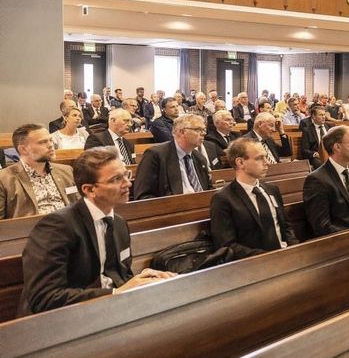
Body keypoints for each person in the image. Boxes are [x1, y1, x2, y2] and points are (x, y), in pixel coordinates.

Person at [18, 147, 175, 315]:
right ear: (89, 189)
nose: (128, 184)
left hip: (108, 310)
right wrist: (115, 293)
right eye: (116, 179)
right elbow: (45, 298)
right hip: (62, 320)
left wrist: (144, 278)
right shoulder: (57, 227)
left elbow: (117, 275)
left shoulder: (119, 223)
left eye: (126, 175)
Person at [209, 138, 298, 259]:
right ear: (240, 162)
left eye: (265, 157)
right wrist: (267, 257)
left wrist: (294, 249)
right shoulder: (223, 198)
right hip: (253, 263)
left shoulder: (271, 190)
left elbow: (285, 226)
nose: (267, 162)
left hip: (286, 255)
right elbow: (227, 245)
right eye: (259, 158)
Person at [1, 124, 79, 219]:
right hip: (31, 231)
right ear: (23, 149)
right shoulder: (4, 179)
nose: (51, 145)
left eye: (50, 140)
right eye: (42, 142)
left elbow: (79, 206)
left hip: (70, 229)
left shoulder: (66, 171)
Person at [132, 114, 212, 199]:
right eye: (198, 129)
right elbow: (143, 195)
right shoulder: (155, 155)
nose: (203, 133)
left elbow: (208, 189)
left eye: (204, 129)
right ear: (181, 132)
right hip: (172, 208)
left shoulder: (199, 158)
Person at [298, 105, 330, 170]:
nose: (323, 117)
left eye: (324, 115)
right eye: (320, 115)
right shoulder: (307, 130)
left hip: (331, 154)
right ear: (314, 117)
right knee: (323, 166)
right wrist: (315, 154)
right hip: (317, 157)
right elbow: (304, 150)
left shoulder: (330, 127)